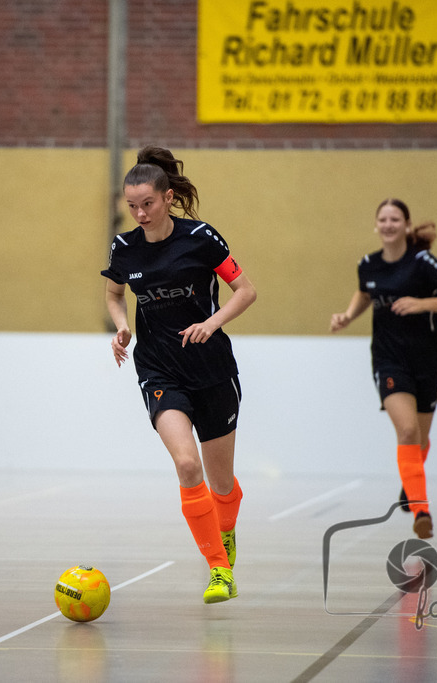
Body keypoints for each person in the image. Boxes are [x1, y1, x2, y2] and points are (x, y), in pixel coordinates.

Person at [101, 146, 257, 603]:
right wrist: (122, 326)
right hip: (159, 369)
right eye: (132, 206)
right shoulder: (124, 247)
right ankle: (219, 570)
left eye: (147, 203)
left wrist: (212, 323)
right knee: (187, 465)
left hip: (212, 369)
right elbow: (114, 294)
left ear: (168, 198)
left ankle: (226, 533)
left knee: (222, 483)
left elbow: (245, 291)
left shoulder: (201, 238)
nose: (140, 214)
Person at [330, 198, 437, 539]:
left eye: (395, 219)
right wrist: (348, 316)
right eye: (383, 219)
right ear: (376, 225)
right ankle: (421, 511)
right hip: (388, 359)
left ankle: (410, 482)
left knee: (420, 440)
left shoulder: (422, 262)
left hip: (427, 360)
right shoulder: (368, 264)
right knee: (407, 432)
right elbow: (365, 294)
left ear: (407, 226)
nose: (388, 225)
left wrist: (422, 304)